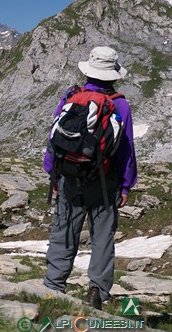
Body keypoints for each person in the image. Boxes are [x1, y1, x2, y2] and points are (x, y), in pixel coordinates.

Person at [43, 46, 138, 310]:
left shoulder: (71, 97)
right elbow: (126, 149)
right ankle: (97, 293)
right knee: (102, 239)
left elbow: (54, 139)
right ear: (113, 74)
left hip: (69, 179)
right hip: (104, 182)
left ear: (88, 70)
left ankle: (53, 288)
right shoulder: (120, 104)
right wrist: (126, 185)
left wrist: (52, 175)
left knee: (63, 233)